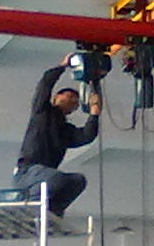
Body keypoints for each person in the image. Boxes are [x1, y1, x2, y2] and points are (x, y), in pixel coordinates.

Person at [12, 54, 101, 216]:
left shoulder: (65, 131)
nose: (71, 99)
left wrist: (94, 114)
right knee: (55, 178)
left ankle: (52, 212)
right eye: (67, 96)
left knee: (78, 181)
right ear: (55, 98)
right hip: (27, 172)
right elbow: (45, 84)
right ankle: (32, 211)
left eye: (74, 100)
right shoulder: (41, 111)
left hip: (45, 176)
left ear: (74, 109)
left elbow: (87, 136)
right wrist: (62, 66)